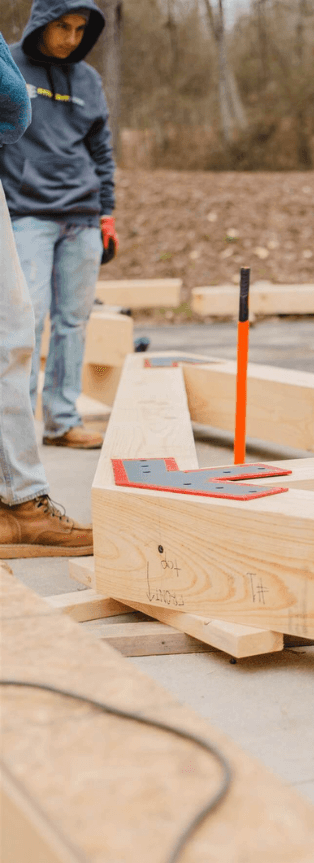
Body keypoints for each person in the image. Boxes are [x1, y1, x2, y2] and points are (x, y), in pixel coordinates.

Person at [0, 0, 119, 451]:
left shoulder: (89, 79)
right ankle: (15, 434)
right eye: (62, 27)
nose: (71, 38)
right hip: (27, 216)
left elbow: (102, 153)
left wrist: (107, 214)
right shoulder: (8, 63)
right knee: (23, 323)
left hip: (84, 218)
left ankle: (62, 422)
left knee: (73, 323)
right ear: (41, 24)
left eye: (79, 29)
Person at [1, 30, 93, 557]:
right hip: (31, 205)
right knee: (12, 330)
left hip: (75, 209)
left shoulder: (88, 81)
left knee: (19, 329)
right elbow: (12, 101)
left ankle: (16, 500)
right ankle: (19, 499)